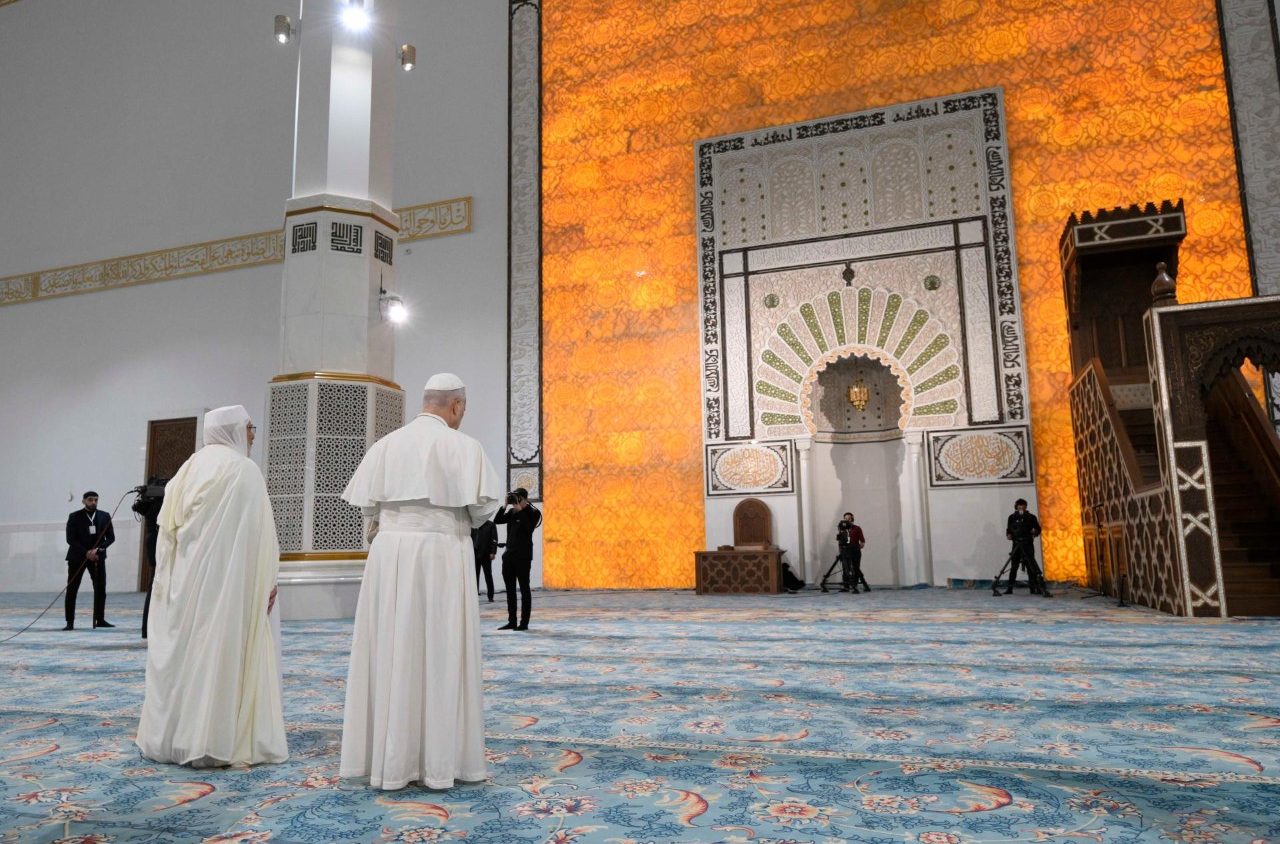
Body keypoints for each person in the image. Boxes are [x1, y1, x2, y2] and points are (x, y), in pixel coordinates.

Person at [339, 373, 502, 790]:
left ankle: (388, 762)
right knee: (440, 648)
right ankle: (437, 762)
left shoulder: (384, 446)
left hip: (389, 554)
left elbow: (367, 510)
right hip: (444, 553)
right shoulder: (465, 447)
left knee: (391, 645)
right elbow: (483, 507)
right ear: (457, 406)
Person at [136, 406, 287, 767]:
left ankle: (175, 737)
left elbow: (166, 537)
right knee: (221, 654)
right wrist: (266, 580)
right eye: (250, 428)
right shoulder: (243, 471)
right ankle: (217, 739)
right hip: (229, 587)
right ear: (234, 430)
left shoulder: (187, 469)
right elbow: (258, 536)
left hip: (185, 586)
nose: (253, 435)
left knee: (188, 655)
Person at [64, 491, 116, 630]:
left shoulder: (104, 516)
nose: (93, 502)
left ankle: (100, 619)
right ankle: (70, 622)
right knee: (72, 589)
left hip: (97, 558)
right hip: (77, 558)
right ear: (83, 501)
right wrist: (86, 552)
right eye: (90, 500)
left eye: (96, 500)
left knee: (100, 589)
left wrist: (98, 550)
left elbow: (111, 538)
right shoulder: (74, 517)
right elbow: (70, 539)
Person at [494, 487, 541, 631]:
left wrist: (520, 508)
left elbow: (528, 528)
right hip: (509, 556)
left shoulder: (534, 512)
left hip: (523, 557)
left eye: (517, 498)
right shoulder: (512, 511)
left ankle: (524, 623)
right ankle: (512, 621)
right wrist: (505, 505)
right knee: (510, 590)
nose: (515, 501)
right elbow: (497, 520)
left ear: (524, 498)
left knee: (524, 589)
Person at [131, 478, 166, 639]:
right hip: (159, 547)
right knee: (155, 588)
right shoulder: (161, 505)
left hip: (153, 545)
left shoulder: (149, 505)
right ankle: (149, 629)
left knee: (153, 587)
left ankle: (147, 629)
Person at [1005, 498, 1050, 597]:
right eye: (1019, 505)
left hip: (1028, 544)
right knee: (1014, 566)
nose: (1021, 507)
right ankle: (1010, 587)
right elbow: (1009, 529)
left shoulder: (1031, 517)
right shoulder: (1012, 517)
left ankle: (1033, 587)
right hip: (1016, 544)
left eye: (1023, 505)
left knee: (1031, 566)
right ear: (1016, 507)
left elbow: (1038, 529)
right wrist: (1009, 534)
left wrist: (1035, 531)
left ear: (1026, 507)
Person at [837, 512, 869, 593]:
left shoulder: (857, 528)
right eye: (845, 518)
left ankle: (855, 586)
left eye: (849, 518)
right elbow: (840, 541)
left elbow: (862, 540)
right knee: (845, 569)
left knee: (855, 568)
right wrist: (840, 550)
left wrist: (860, 545)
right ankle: (846, 586)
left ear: (852, 519)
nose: (847, 520)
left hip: (855, 551)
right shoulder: (842, 529)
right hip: (845, 551)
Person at [472, 519, 498, 602]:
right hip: (474, 553)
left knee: (488, 575)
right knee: (474, 576)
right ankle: (474, 595)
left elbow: (494, 539)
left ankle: (490, 596)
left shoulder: (490, 524)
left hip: (486, 553)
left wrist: (493, 552)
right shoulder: (473, 524)